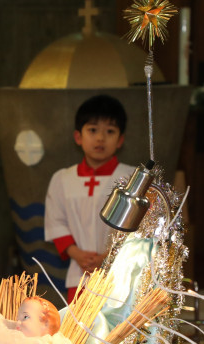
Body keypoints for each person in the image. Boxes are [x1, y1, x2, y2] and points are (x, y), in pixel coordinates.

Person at [44, 94, 135, 302]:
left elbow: (137, 227)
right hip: (80, 272)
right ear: (78, 137)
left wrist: (108, 256)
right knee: (78, 320)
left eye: (110, 131)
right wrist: (77, 253)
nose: (100, 138)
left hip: (119, 272)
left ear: (120, 140)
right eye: (93, 130)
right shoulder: (63, 179)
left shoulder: (130, 178)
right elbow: (56, 222)